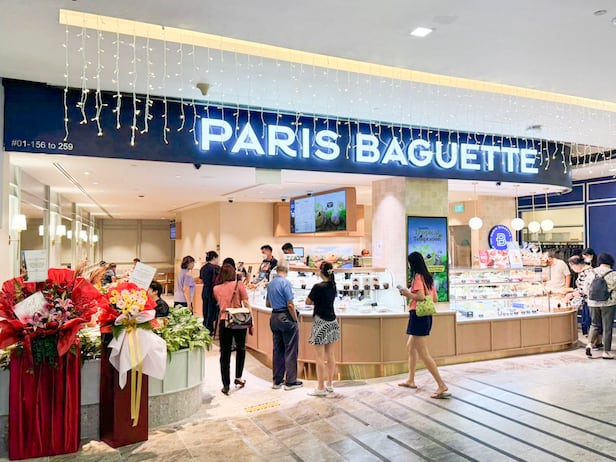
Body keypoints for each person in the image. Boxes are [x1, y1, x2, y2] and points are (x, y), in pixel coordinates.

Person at [398, 251, 449, 399]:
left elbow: (420, 296)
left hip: (418, 316)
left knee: (423, 353)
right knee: (410, 347)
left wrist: (407, 293)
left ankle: (441, 385)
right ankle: (411, 379)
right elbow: (435, 298)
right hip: (425, 316)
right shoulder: (428, 277)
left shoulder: (418, 277)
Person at [214, 263, 252, 395]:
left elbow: (220, 304)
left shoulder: (216, 289)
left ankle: (226, 384)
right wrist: (251, 320)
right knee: (241, 349)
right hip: (239, 320)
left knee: (224, 354)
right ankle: (238, 377)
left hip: (224, 321)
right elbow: (246, 303)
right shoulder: (239, 284)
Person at [304, 262, 340, 396]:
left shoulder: (317, 287)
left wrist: (316, 301)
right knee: (331, 355)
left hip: (321, 322)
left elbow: (307, 302)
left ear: (321, 272)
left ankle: (320, 387)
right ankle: (329, 384)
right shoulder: (333, 285)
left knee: (319, 357)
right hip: (332, 321)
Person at [267, 264, 302, 390]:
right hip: (285, 317)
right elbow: (290, 305)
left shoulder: (270, 284)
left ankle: (277, 381)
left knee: (278, 350)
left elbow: (268, 303)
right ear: (286, 271)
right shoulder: (285, 283)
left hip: (274, 317)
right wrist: (295, 319)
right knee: (291, 349)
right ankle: (291, 381)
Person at [582, 253, 616, 359]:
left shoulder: (591, 272)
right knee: (607, 327)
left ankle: (589, 345)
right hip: (608, 303)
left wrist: (591, 298)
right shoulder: (613, 274)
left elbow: (585, 288)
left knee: (594, 324)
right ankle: (606, 352)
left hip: (592, 303)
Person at [565, 255, 595, 340]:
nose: (572, 270)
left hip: (588, 301)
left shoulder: (584, 273)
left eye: (572, 267)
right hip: (591, 300)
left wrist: (571, 295)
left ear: (575, 265)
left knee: (589, 322)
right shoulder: (590, 270)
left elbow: (583, 290)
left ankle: (591, 341)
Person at [200, 250, 220, 334]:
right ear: (214, 258)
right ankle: (210, 328)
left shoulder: (203, 268)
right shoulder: (216, 268)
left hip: (205, 290)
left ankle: (205, 325)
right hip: (213, 291)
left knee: (205, 308)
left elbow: (201, 279)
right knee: (211, 310)